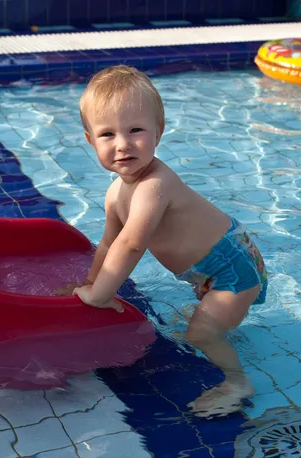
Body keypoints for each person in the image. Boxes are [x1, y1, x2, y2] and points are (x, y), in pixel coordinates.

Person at [70, 65, 268, 417]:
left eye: (135, 130)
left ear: (158, 133)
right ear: (90, 140)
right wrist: (88, 284)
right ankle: (223, 326)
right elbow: (108, 244)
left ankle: (238, 382)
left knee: (200, 336)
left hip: (233, 267)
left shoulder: (154, 186)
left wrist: (99, 296)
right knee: (204, 324)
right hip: (210, 268)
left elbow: (131, 245)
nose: (123, 144)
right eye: (107, 134)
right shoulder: (116, 192)